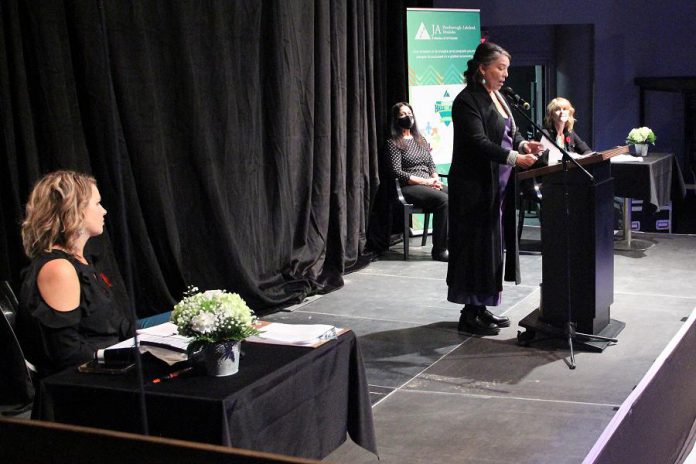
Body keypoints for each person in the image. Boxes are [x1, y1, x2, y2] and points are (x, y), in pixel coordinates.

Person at [17, 170, 167, 375]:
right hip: (96, 379)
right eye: (97, 204)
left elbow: (119, 327)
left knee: (194, 318)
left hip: (116, 357)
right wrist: (134, 358)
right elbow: (67, 355)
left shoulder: (80, 261)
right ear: (74, 210)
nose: (104, 211)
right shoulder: (59, 269)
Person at [447, 42, 544, 335]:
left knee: (490, 250)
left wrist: (525, 144)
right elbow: (478, 142)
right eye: (500, 68)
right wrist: (516, 157)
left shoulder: (497, 96)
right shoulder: (467, 101)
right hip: (474, 188)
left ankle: (482, 307)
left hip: (498, 186)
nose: (504, 75)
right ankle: (469, 313)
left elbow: (508, 133)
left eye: (506, 69)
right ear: (482, 68)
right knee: (476, 250)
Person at [387, 102, 449, 262]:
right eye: (402, 114)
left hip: (427, 183)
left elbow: (430, 163)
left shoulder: (420, 139)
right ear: (396, 119)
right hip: (409, 186)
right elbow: (397, 172)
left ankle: (454, 244)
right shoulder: (394, 142)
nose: (407, 117)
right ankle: (439, 250)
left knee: (456, 195)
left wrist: (434, 178)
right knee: (444, 200)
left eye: (409, 113)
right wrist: (426, 182)